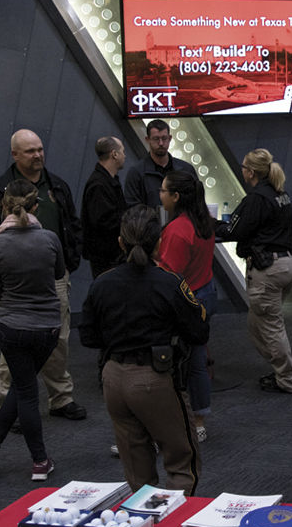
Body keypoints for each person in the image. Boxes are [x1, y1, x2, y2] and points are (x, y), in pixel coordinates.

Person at [78, 205, 209, 494]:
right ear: (159, 242)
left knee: (137, 471)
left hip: (113, 379)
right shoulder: (170, 283)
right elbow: (199, 331)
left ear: (121, 242)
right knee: (181, 462)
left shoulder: (102, 283)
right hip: (156, 379)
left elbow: (88, 336)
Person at [0, 129, 85, 422]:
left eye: (39, 149)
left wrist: (68, 262)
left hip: (55, 280)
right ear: (15, 154)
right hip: (16, 284)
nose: (37, 155)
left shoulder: (57, 187)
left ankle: (61, 399)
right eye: (29, 151)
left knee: (58, 340)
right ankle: (8, 407)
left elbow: (72, 226)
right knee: (14, 347)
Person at [0, 179, 64, 482]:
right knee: (24, 388)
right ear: (36, 205)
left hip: (12, 328)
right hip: (47, 328)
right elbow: (59, 273)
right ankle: (29, 458)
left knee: (23, 388)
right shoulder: (50, 239)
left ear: (4, 207)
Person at [216, 149, 292, 394]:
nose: (242, 170)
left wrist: (210, 224)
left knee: (271, 327)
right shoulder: (280, 194)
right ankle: (285, 370)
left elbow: (234, 230)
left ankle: (287, 378)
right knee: (257, 325)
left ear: (251, 172)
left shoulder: (256, 198)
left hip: (268, 271)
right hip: (287, 265)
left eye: (243, 167)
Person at [158, 171, 217, 442]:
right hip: (205, 295)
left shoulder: (177, 231)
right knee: (197, 362)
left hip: (185, 303)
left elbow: (169, 276)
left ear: (176, 196)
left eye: (163, 191)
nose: (160, 195)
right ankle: (199, 422)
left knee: (172, 366)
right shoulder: (204, 221)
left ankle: (167, 425)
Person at [123, 119, 198, 207]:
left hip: (182, 220)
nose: (161, 143)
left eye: (164, 138)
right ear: (147, 140)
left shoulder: (186, 170)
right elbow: (132, 209)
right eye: (156, 139)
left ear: (170, 138)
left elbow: (197, 201)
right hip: (149, 220)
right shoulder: (136, 173)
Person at [81, 136, 127, 278]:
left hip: (109, 254)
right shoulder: (99, 185)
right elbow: (104, 221)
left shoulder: (108, 181)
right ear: (114, 154)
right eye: (123, 151)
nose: (125, 155)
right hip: (107, 256)